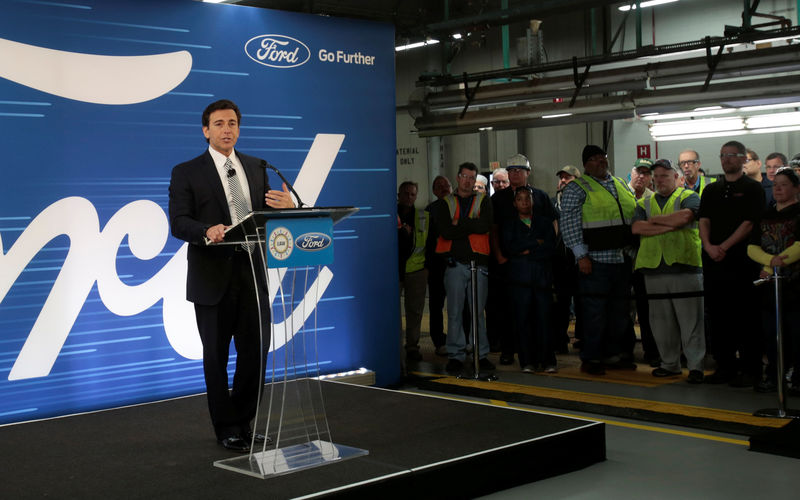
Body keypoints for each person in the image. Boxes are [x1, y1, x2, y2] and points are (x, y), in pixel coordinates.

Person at [168, 99, 295, 452]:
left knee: (255, 353)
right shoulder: (187, 171)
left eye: (233, 123)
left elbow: (266, 218)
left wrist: (289, 208)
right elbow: (178, 221)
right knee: (217, 357)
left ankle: (244, 422)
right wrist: (207, 230)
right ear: (206, 130)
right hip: (213, 276)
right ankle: (225, 427)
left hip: (252, 273)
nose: (227, 130)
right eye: (219, 124)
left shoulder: (256, 167)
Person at [560, 145, 638, 375]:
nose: (600, 162)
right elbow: (569, 225)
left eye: (602, 158)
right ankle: (592, 358)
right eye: (594, 159)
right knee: (595, 313)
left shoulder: (621, 185)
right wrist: (580, 256)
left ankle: (614, 355)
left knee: (620, 312)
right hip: (595, 261)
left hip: (622, 259)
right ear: (585, 165)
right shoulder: (577, 188)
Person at [631, 160, 705, 384]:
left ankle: (695, 367)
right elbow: (636, 228)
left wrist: (653, 221)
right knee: (661, 323)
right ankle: (669, 364)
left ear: (677, 177)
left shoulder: (688, 197)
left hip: (685, 267)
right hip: (654, 270)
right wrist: (669, 224)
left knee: (690, 322)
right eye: (657, 176)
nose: (660, 180)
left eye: (665, 175)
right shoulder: (645, 202)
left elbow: (685, 217)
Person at [698, 140, 765, 387]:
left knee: (746, 318)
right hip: (714, 263)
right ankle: (724, 366)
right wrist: (708, 246)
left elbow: (749, 223)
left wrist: (723, 247)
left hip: (741, 263)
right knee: (719, 317)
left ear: (743, 159)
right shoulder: (712, 190)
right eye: (723, 155)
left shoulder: (753, 189)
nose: (726, 159)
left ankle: (750, 369)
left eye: (731, 155)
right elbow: (703, 220)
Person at [490, 153, 557, 365]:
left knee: (540, 311)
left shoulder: (540, 196)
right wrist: (500, 255)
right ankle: (509, 349)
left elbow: (552, 224)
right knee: (509, 309)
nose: (515, 174)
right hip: (508, 264)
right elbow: (493, 229)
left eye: (519, 170)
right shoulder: (498, 199)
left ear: (528, 172)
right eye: (511, 171)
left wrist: (545, 249)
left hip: (538, 266)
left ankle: (540, 354)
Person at [435, 162, 495, 373]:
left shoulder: (484, 201)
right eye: (464, 176)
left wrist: (459, 224)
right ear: (458, 177)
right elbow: (445, 232)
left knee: (477, 313)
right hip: (455, 264)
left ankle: (481, 354)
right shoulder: (446, 203)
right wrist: (472, 224)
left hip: (478, 265)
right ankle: (456, 355)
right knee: (454, 312)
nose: (468, 181)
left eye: (472, 177)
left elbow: (485, 225)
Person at [747, 167, 800, 394]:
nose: (778, 188)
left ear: (796, 188)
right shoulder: (764, 214)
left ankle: (798, 378)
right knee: (771, 334)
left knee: (797, 334)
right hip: (770, 287)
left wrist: (771, 266)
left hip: (796, 285)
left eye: (784, 184)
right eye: (775, 184)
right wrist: (770, 263)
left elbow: (799, 246)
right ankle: (774, 375)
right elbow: (751, 247)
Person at [503, 186, 557, 373]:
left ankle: (548, 360)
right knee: (523, 319)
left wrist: (526, 250)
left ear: (533, 201)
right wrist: (535, 242)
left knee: (545, 318)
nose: (524, 202)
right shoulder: (510, 225)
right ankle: (527, 361)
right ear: (514, 203)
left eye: (528, 198)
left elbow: (550, 247)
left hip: (542, 276)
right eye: (520, 199)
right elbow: (510, 247)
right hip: (520, 278)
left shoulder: (544, 223)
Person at [628, 158, 659, 365]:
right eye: (638, 172)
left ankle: (651, 352)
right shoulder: (621, 192)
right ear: (631, 173)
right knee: (624, 310)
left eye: (646, 173)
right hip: (622, 259)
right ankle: (625, 351)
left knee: (648, 312)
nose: (641, 176)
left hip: (645, 261)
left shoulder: (654, 199)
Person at [551, 165, 582, 353]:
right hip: (559, 262)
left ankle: (583, 338)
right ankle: (559, 340)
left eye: (568, 178)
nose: (563, 181)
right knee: (560, 304)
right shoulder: (551, 203)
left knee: (583, 302)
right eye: (561, 178)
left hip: (579, 259)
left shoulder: (584, 202)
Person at [397, 181, 428, 362]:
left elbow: (429, 243)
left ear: (416, 196)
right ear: (399, 195)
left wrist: (427, 269)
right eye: (406, 193)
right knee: (394, 312)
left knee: (415, 312)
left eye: (412, 194)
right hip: (395, 270)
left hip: (417, 271)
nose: (409, 197)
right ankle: (395, 344)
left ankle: (412, 347)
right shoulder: (391, 214)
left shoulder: (423, 216)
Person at [426, 175, 452, 356]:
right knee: (436, 305)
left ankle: (461, 339)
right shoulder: (430, 210)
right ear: (434, 191)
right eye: (439, 186)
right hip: (437, 265)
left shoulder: (459, 206)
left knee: (460, 305)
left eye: (446, 185)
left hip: (457, 263)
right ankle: (439, 342)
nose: (443, 188)